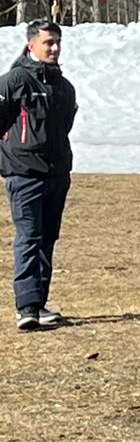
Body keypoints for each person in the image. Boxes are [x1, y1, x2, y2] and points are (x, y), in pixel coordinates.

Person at [2, 18, 77, 330]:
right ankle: (27, 307)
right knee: (30, 237)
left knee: (47, 238)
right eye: (49, 43)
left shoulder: (64, 87)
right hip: (24, 174)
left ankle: (40, 303)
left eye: (58, 42)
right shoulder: (14, 81)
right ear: (32, 44)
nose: (55, 48)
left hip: (56, 174)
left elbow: (65, 126)